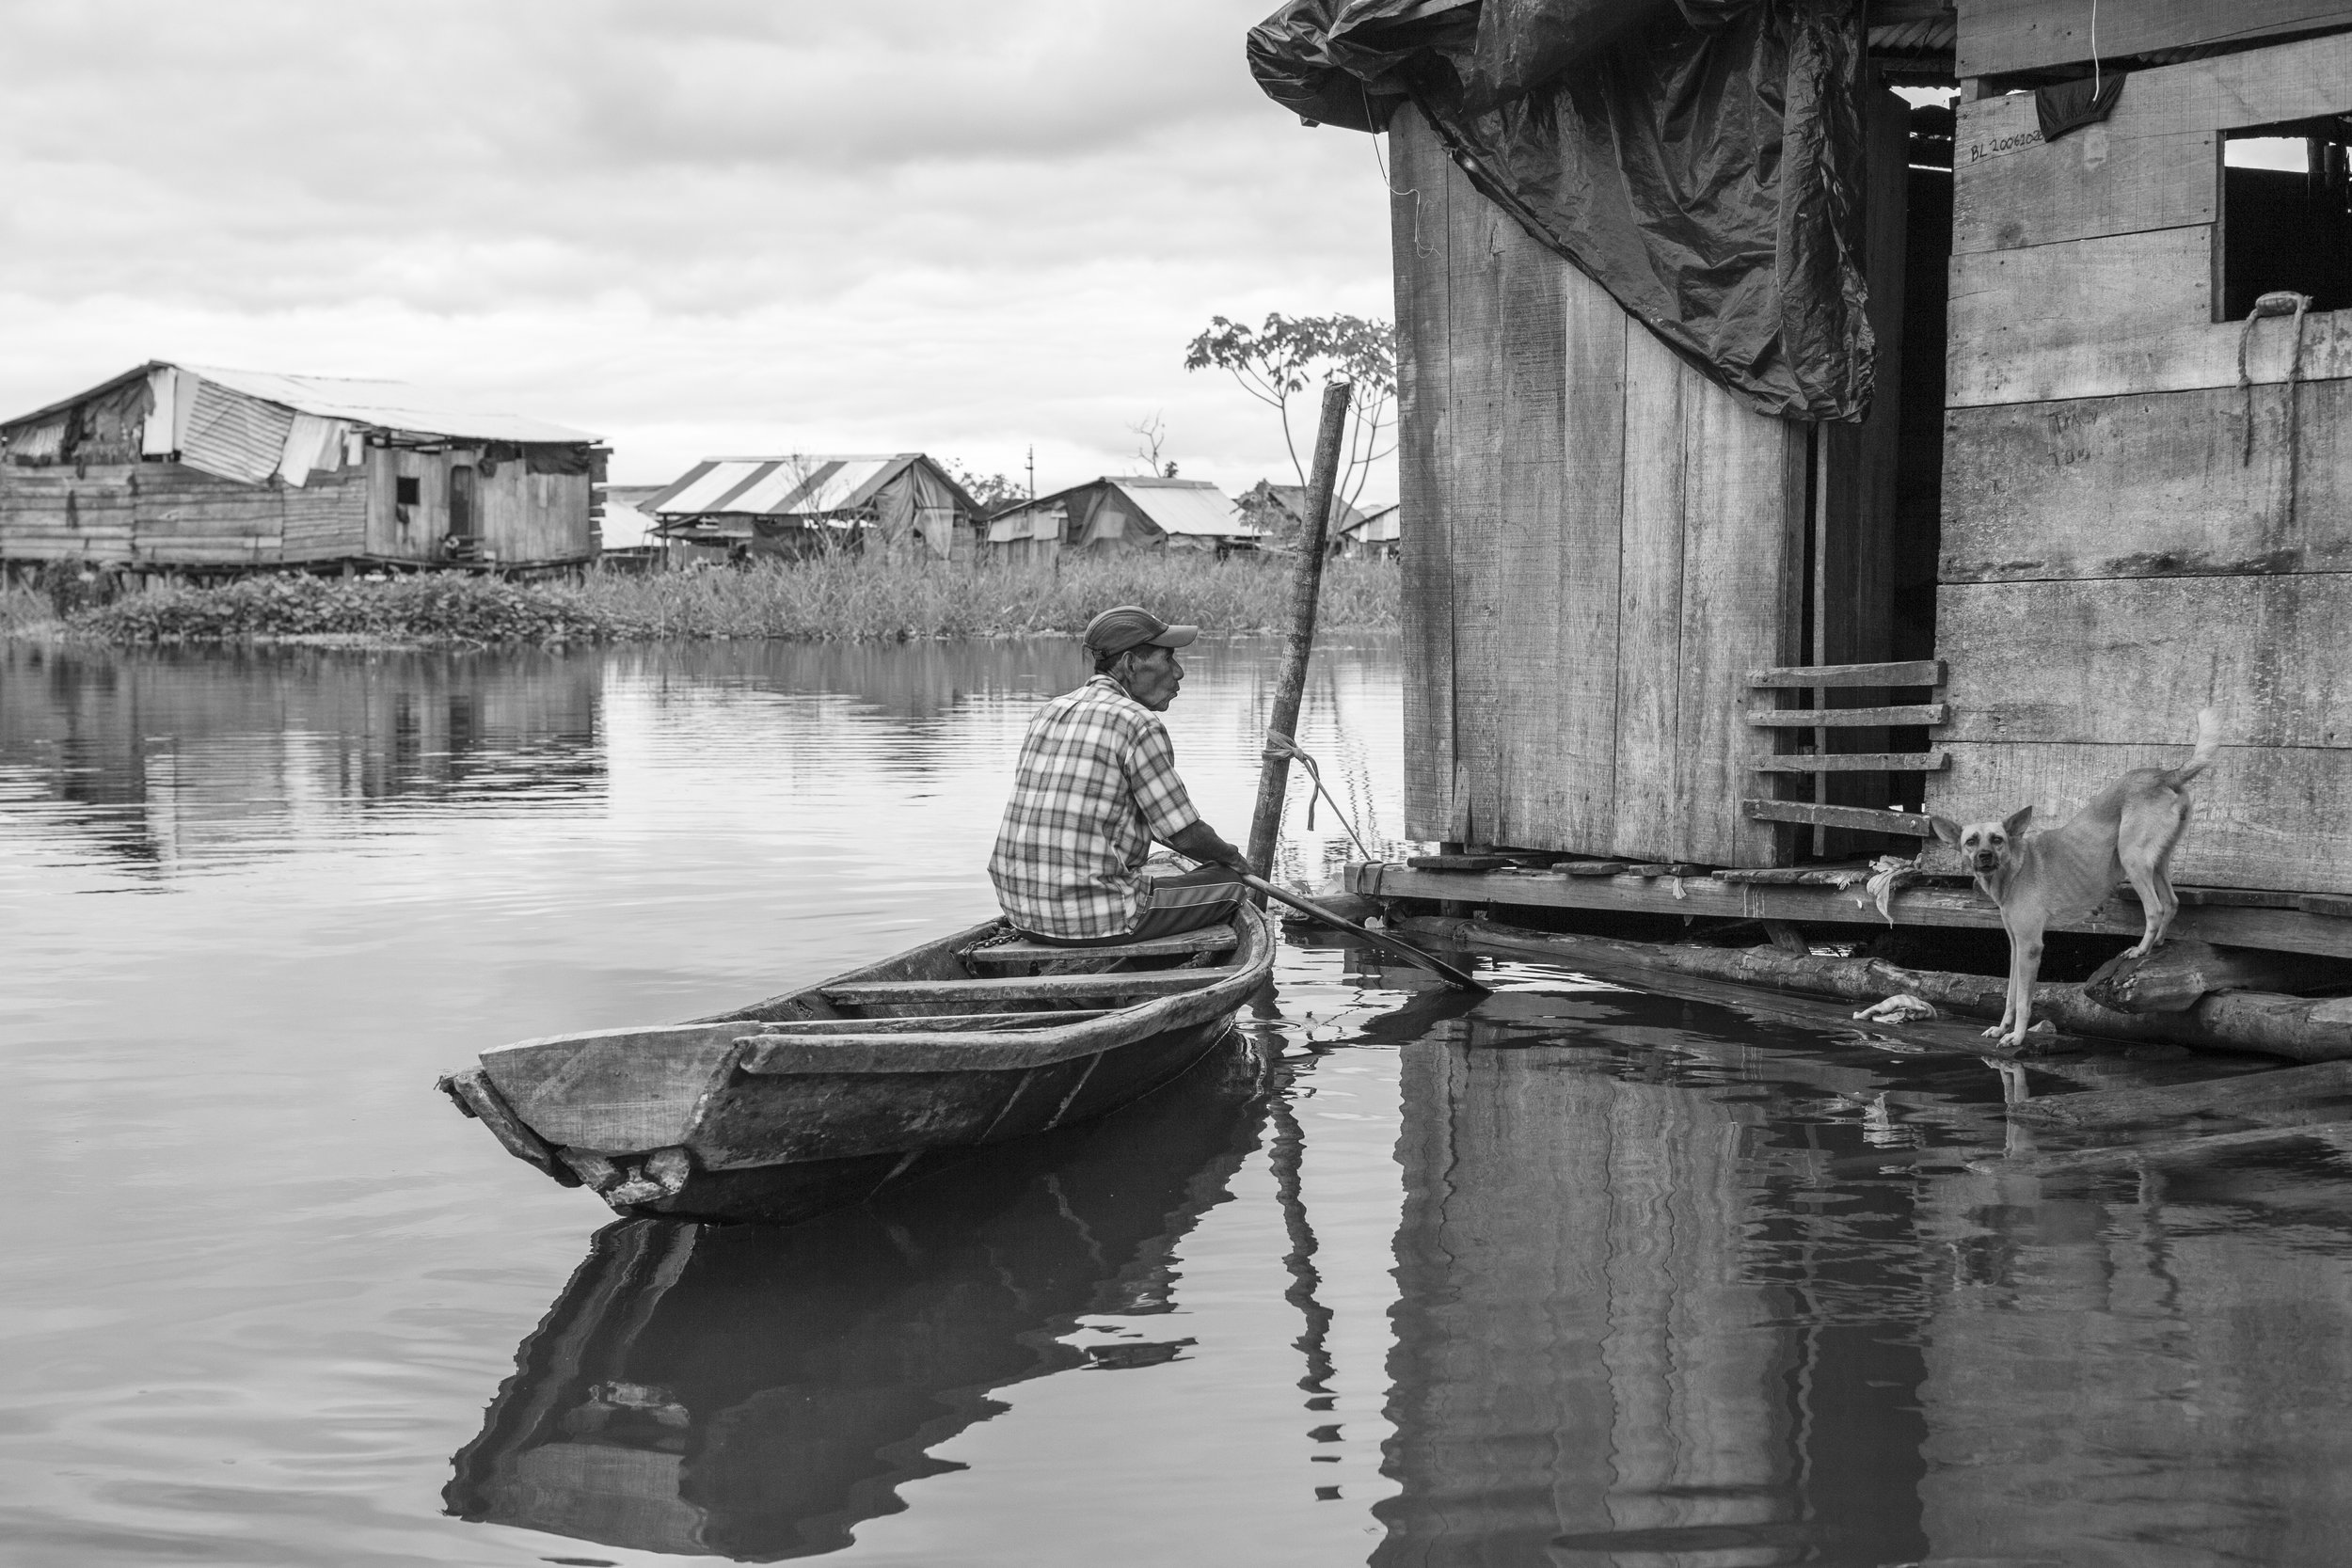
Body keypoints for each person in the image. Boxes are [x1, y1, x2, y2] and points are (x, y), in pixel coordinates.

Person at [988, 605, 1251, 946]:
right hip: (1093, 916)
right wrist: (1233, 859)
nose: (1180, 672)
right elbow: (1184, 835)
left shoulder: (1049, 711)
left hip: (1019, 910)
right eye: (1168, 659)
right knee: (1229, 883)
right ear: (1129, 665)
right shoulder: (1138, 723)